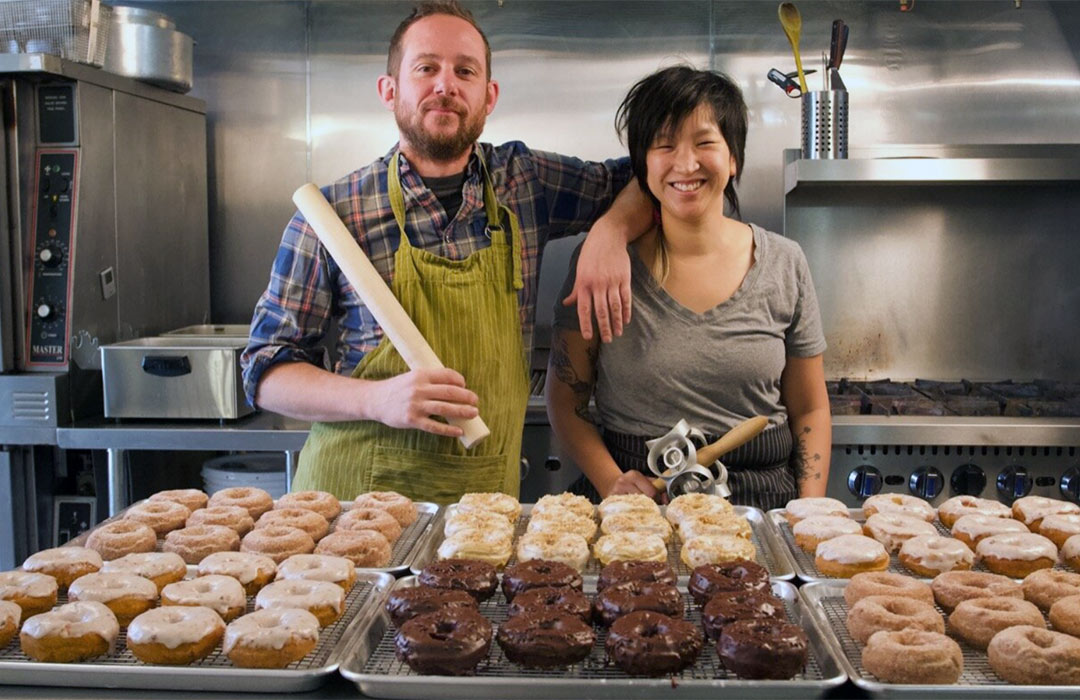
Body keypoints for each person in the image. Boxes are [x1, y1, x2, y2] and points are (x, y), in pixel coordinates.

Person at [240, 1, 652, 504]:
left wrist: (609, 232)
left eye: (464, 71)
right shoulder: (331, 213)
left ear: (489, 95)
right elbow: (265, 370)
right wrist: (376, 399)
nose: (445, 85)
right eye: (426, 68)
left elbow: (648, 175)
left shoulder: (526, 182)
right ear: (389, 90)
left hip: (479, 511)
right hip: (356, 506)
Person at [546, 66, 830, 511]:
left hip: (761, 504)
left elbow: (810, 408)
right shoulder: (600, 266)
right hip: (637, 504)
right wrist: (613, 485)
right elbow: (566, 401)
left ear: (733, 158)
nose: (685, 163)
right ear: (642, 165)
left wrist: (808, 514)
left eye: (704, 142)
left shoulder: (784, 262)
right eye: (664, 145)